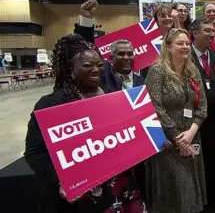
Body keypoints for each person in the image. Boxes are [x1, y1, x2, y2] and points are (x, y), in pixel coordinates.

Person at [24, 34, 145, 213]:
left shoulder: (113, 94)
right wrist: (61, 181)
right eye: (88, 66)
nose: (95, 70)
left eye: (99, 65)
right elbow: (35, 152)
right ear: (71, 69)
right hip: (82, 194)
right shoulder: (52, 104)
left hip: (122, 185)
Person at [144, 28, 208, 213]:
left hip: (191, 137)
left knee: (190, 193)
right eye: (180, 43)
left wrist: (190, 134)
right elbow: (155, 107)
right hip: (168, 143)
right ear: (168, 47)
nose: (185, 47)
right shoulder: (157, 71)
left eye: (187, 43)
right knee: (175, 190)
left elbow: (202, 107)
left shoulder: (192, 70)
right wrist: (178, 138)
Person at [189, 18, 215, 208]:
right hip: (193, 121)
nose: (212, 34)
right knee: (196, 162)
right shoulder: (184, 56)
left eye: (213, 31)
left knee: (214, 160)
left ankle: (214, 196)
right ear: (195, 33)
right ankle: (198, 199)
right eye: (207, 31)